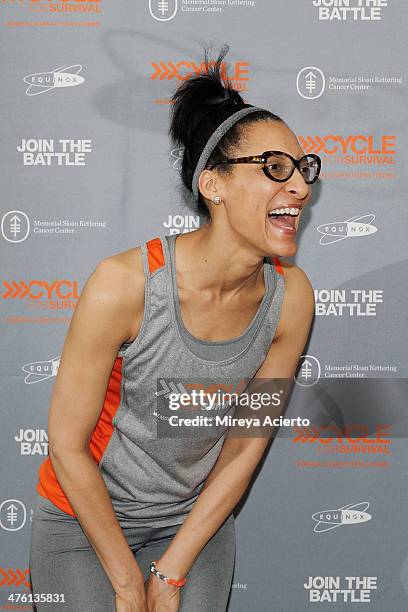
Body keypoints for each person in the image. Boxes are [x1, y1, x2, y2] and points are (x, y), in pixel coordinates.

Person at [28, 43, 320, 612]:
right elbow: (66, 445)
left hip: (193, 524)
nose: (301, 188)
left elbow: (245, 444)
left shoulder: (292, 299)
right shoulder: (124, 285)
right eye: (275, 169)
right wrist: (124, 582)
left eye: (303, 170)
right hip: (83, 525)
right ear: (213, 185)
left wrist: (172, 570)